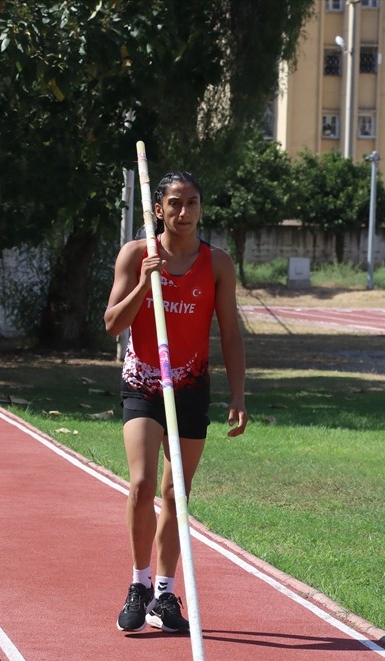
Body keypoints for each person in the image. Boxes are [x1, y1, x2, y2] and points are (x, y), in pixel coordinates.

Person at [103, 171, 248, 635]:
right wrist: (146, 284)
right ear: (158, 209)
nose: (184, 212)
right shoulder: (135, 254)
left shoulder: (218, 264)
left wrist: (239, 394)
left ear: (201, 207)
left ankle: (165, 594)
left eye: (192, 202)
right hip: (144, 380)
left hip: (191, 386)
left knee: (175, 495)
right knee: (143, 483)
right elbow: (111, 324)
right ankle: (138, 584)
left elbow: (229, 332)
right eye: (174, 203)